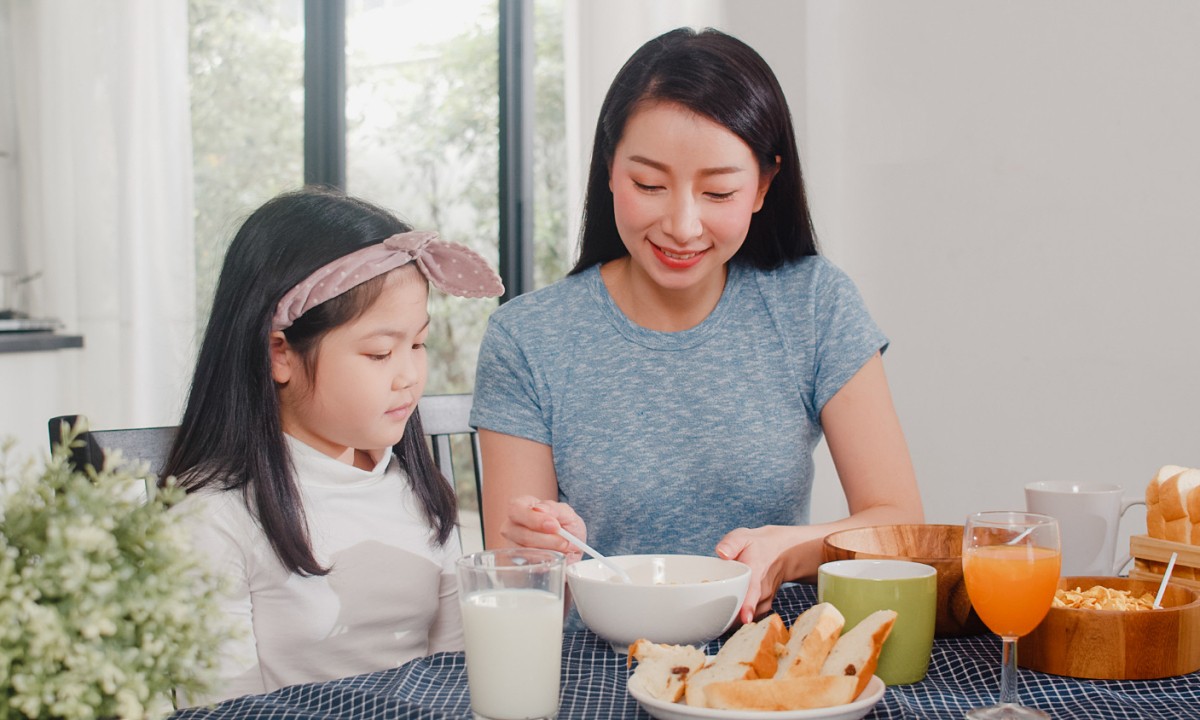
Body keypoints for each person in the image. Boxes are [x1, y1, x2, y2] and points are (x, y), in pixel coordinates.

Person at [470, 28, 924, 627]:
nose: (683, 226)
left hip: (771, 661)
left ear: (763, 186)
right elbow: (523, 594)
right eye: (649, 185)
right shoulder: (527, 339)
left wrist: (787, 553)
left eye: (718, 191)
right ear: (609, 169)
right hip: (595, 670)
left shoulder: (812, 303)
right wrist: (538, 551)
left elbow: (900, 524)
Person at [165, 188, 503, 703]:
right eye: (379, 353)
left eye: (417, 345)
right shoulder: (215, 516)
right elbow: (219, 711)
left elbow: (455, 673)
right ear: (279, 354)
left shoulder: (414, 487)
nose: (409, 376)